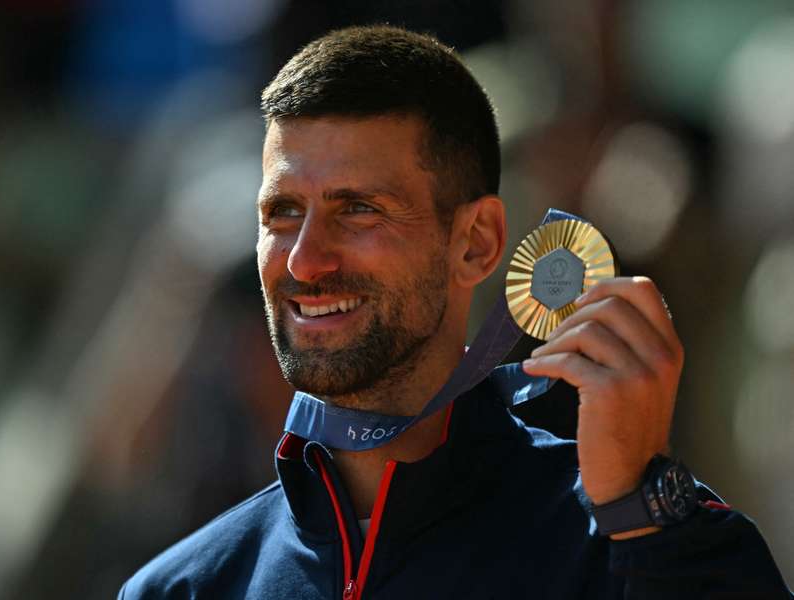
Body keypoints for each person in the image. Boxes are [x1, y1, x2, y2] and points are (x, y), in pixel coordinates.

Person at [119, 26, 791, 599]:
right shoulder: (184, 588)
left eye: (359, 209)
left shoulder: (635, 543)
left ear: (477, 244)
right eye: (282, 213)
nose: (303, 261)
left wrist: (645, 515)